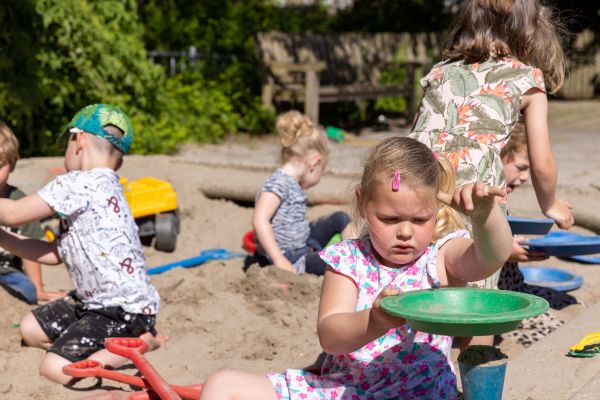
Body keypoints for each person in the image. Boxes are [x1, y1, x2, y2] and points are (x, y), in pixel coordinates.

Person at [199, 137, 513, 400]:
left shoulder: (439, 259)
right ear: (363, 204)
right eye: (390, 219)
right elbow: (331, 337)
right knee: (221, 385)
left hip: (421, 392)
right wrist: (373, 320)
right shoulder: (349, 260)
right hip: (348, 390)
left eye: (420, 220)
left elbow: (491, 257)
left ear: (435, 211)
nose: (405, 232)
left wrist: (485, 215)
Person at [0, 104, 160, 384]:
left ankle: (142, 341)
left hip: (121, 310)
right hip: (92, 302)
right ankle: (128, 340)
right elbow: (53, 254)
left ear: (79, 140)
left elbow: (13, 213)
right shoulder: (108, 187)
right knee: (30, 328)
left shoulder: (76, 184)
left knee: (54, 368)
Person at [409, 0, 574, 235]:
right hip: (472, 191)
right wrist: (550, 204)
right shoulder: (526, 78)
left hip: (416, 177)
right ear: (530, 29)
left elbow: (419, 130)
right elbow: (542, 164)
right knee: (473, 263)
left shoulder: (440, 71)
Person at [497, 121, 576, 347]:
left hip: (515, 287)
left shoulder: (501, 199)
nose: (524, 178)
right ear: (499, 156)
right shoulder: (479, 199)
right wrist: (505, 251)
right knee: (552, 332)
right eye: (521, 167)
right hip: (499, 299)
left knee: (568, 302)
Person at [247, 110, 354, 276]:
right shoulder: (279, 183)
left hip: (301, 245)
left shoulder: (292, 183)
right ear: (315, 163)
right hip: (291, 260)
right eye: (322, 170)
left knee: (340, 218)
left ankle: (357, 256)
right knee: (341, 262)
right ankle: (355, 265)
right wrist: (279, 260)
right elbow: (260, 219)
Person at [0, 121, 65, 304]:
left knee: (28, 290)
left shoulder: (20, 202)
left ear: (12, 164)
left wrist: (38, 289)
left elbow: (31, 244)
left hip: (7, 273)